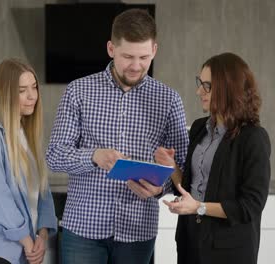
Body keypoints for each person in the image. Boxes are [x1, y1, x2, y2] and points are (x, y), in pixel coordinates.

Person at [46, 8, 189, 264]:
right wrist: (94, 156)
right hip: (83, 229)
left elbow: (183, 171)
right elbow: (54, 156)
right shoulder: (78, 91)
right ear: (111, 49)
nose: (136, 66)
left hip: (137, 231)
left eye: (144, 57)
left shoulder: (168, 101)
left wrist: (160, 188)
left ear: (155, 50)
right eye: (128, 57)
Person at [156, 52, 271, 264]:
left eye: (207, 85)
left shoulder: (253, 138)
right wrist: (171, 166)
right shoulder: (199, 128)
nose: (199, 91)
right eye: (200, 83)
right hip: (190, 242)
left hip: (229, 251)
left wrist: (199, 207)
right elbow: (191, 187)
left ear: (228, 87)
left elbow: (250, 206)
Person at [0, 58, 57, 264]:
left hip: (24, 250)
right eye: (21, 90)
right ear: (4, 94)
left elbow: (43, 192)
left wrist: (42, 236)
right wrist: (27, 241)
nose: (32, 96)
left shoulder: (26, 135)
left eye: (34, 87)